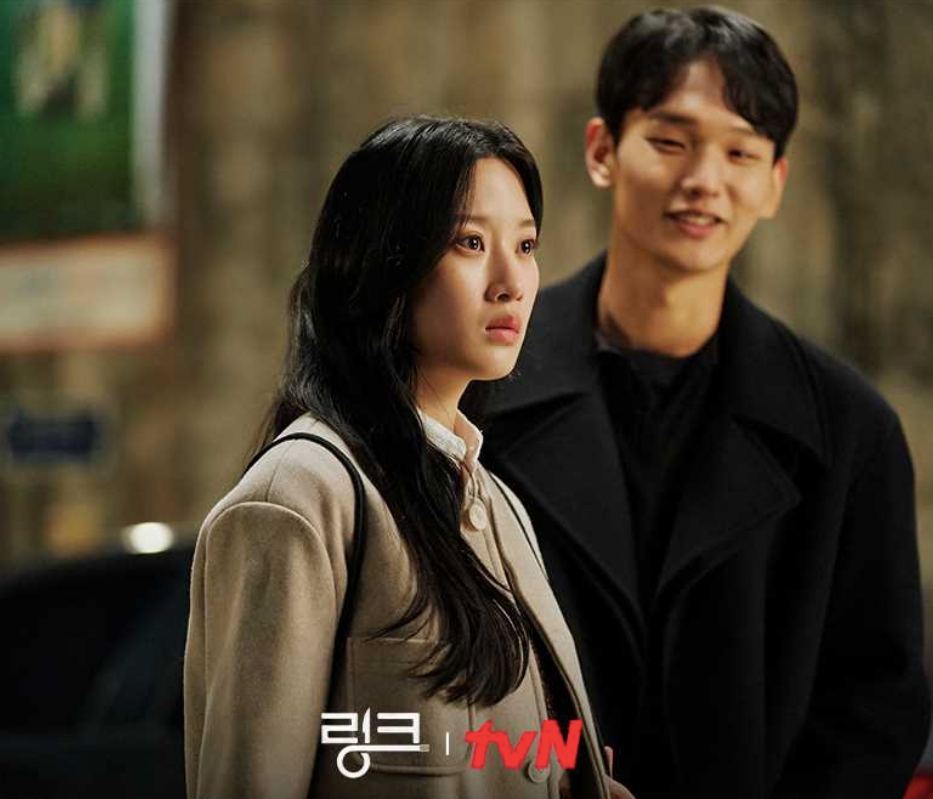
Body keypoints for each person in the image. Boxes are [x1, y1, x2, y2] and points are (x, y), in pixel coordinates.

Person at [479, 8, 932, 799]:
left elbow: (874, 705)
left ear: (775, 182)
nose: (704, 180)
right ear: (602, 150)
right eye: (670, 141)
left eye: (740, 152)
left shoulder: (849, 429)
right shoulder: (476, 387)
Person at [183, 116, 628, 799]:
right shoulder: (300, 498)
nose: (511, 281)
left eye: (526, 244)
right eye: (470, 242)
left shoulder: (498, 505)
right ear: (383, 263)